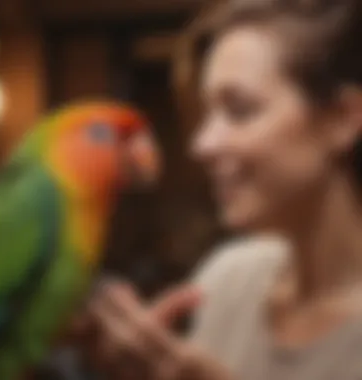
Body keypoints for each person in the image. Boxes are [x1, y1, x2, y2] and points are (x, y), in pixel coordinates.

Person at [82, 0, 362, 378]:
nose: (201, 144)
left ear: (342, 120)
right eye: (207, 114)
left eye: (240, 110)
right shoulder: (227, 280)